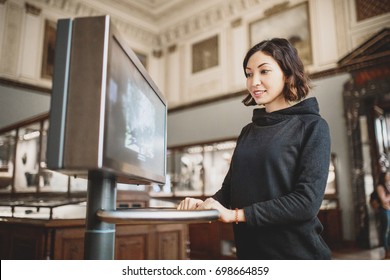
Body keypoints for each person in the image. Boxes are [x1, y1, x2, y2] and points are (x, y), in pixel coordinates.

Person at [177, 38, 331, 259]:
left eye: (264, 71)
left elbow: (306, 203)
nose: (254, 82)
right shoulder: (248, 131)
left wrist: (235, 215)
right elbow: (230, 192)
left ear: (287, 73)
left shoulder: (313, 126)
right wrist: (206, 204)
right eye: (249, 74)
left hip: (297, 256)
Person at [376, 171, 390, 259]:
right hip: (384, 211)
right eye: (388, 175)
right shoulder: (380, 187)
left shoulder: (387, 186)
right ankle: (386, 250)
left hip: (389, 210)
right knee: (385, 231)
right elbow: (384, 200)